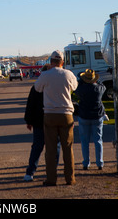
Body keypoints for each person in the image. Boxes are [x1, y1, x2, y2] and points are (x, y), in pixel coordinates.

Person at [35, 50, 78, 186]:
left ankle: (51, 178)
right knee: (68, 147)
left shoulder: (45, 75)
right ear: (62, 62)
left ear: (50, 62)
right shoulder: (68, 74)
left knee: (51, 149)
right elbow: (74, 87)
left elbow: (37, 88)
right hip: (66, 114)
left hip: (50, 113)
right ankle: (70, 178)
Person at [23, 64, 60, 181]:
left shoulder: (35, 87)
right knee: (55, 146)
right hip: (53, 119)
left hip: (39, 121)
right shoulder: (54, 87)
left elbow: (30, 105)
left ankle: (30, 172)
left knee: (37, 147)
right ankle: (53, 170)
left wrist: (29, 121)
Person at [75, 69, 106, 170]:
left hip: (84, 115)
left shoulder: (82, 89)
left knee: (84, 141)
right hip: (97, 116)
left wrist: (80, 80)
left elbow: (76, 89)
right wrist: (98, 80)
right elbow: (103, 86)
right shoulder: (99, 89)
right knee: (98, 140)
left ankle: (86, 162)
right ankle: (99, 162)